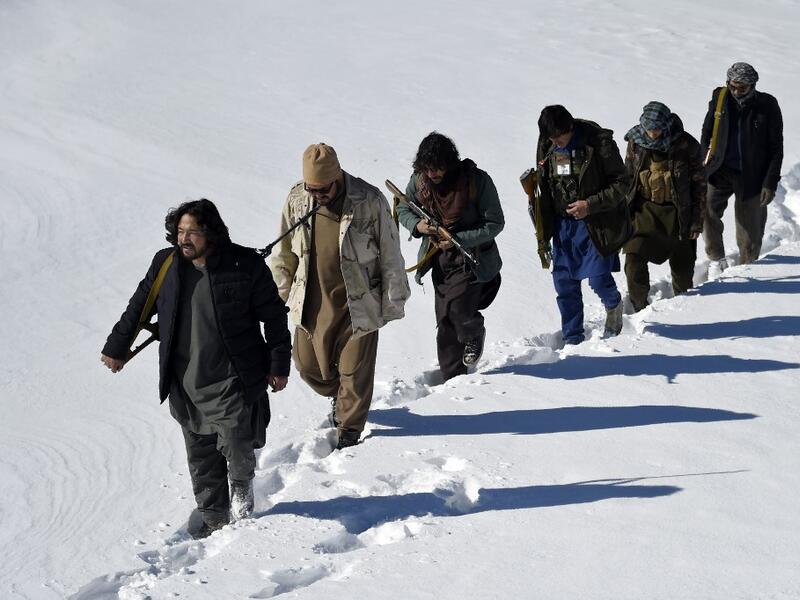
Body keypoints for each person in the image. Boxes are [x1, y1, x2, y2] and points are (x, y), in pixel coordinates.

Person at [101, 199, 292, 538]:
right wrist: (117, 347)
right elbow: (138, 306)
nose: (184, 239)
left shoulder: (243, 265)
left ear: (211, 234)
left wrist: (279, 365)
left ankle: (243, 501)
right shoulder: (166, 265)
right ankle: (216, 520)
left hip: (231, 376)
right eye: (180, 231)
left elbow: (275, 316)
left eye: (192, 232)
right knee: (201, 456)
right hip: (185, 380)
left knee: (237, 444)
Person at [270, 143, 409, 450]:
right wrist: (276, 297)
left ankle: (349, 433)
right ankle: (341, 396)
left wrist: (393, 299)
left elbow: (390, 254)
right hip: (311, 299)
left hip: (358, 303)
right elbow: (284, 254)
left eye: (323, 189)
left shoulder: (369, 200)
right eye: (312, 189)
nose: (317, 195)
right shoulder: (297, 199)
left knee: (354, 371)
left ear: (338, 177)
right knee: (307, 367)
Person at [396, 132, 504, 381]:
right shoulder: (420, 182)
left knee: (458, 311)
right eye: (427, 168)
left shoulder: (476, 181)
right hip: (440, 261)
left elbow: (495, 223)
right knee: (444, 320)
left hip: (472, 259)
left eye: (437, 167)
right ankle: (454, 379)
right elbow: (403, 206)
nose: (432, 174)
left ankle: (474, 333)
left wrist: (460, 239)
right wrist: (418, 226)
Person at [535, 105, 630, 345]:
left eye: (559, 137)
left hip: (594, 223)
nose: (555, 142)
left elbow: (622, 183)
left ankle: (613, 305)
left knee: (598, 277)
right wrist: (542, 227)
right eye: (550, 138)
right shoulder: (547, 144)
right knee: (565, 285)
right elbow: (543, 185)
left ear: (570, 127)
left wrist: (590, 204)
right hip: (562, 225)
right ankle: (573, 338)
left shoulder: (598, 142)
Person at [622, 101, 707, 311]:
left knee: (683, 268)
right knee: (633, 259)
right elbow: (628, 178)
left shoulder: (686, 145)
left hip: (679, 214)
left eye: (657, 129)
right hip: (644, 212)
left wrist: (696, 222)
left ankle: (685, 307)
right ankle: (639, 307)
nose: (652, 134)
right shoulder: (635, 143)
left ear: (666, 125)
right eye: (649, 129)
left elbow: (699, 186)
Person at [701, 62, 784, 274]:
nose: (737, 91)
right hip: (720, 169)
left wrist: (770, 182)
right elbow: (707, 130)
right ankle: (716, 258)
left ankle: (747, 267)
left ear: (753, 86)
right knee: (706, 209)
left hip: (752, 175)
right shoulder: (720, 98)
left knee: (750, 231)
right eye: (733, 86)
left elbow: (776, 148)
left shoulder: (767, 105)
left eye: (743, 88)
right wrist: (704, 161)